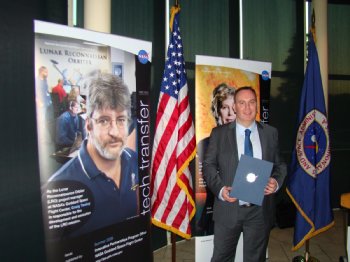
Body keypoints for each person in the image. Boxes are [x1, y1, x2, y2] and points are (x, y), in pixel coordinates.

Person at [45, 72, 139, 238]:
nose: (115, 132)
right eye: (103, 120)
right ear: (88, 124)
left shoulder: (134, 162)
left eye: (121, 120)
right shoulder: (58, 190)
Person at [203, 86, 287, 262]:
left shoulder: (271, 133)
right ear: (234, 106)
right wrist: (220, 190)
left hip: (260, 211)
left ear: (257, 105)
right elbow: (209, 166)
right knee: (221, 258)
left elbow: (280, 165)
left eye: (251, 102)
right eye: (242, 103)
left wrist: (276, 182)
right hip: (228, 209)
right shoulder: (219, 134)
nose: (247, 108)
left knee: (256, 258)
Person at [197, 83, 236, 235]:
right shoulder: (205, 144)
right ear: (217, 111)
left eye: (234, 108)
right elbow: (212, 178)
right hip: (217, 211)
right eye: (225, 107)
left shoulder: (247, 138)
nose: (230, 113)